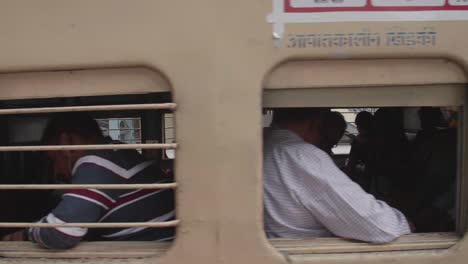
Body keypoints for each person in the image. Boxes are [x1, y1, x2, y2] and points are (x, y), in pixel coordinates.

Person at [27, 113, 175, 249]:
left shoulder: (97, 161)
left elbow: (60, 234)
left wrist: (26, 233)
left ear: (68, 141)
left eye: (54, 159)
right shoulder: (117, 152)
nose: (57, 170)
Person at [263, 108, 411, 243]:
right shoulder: (302, 156)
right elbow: (381, 228)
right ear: (316, 123)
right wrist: (402, 222)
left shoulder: (263, 143)